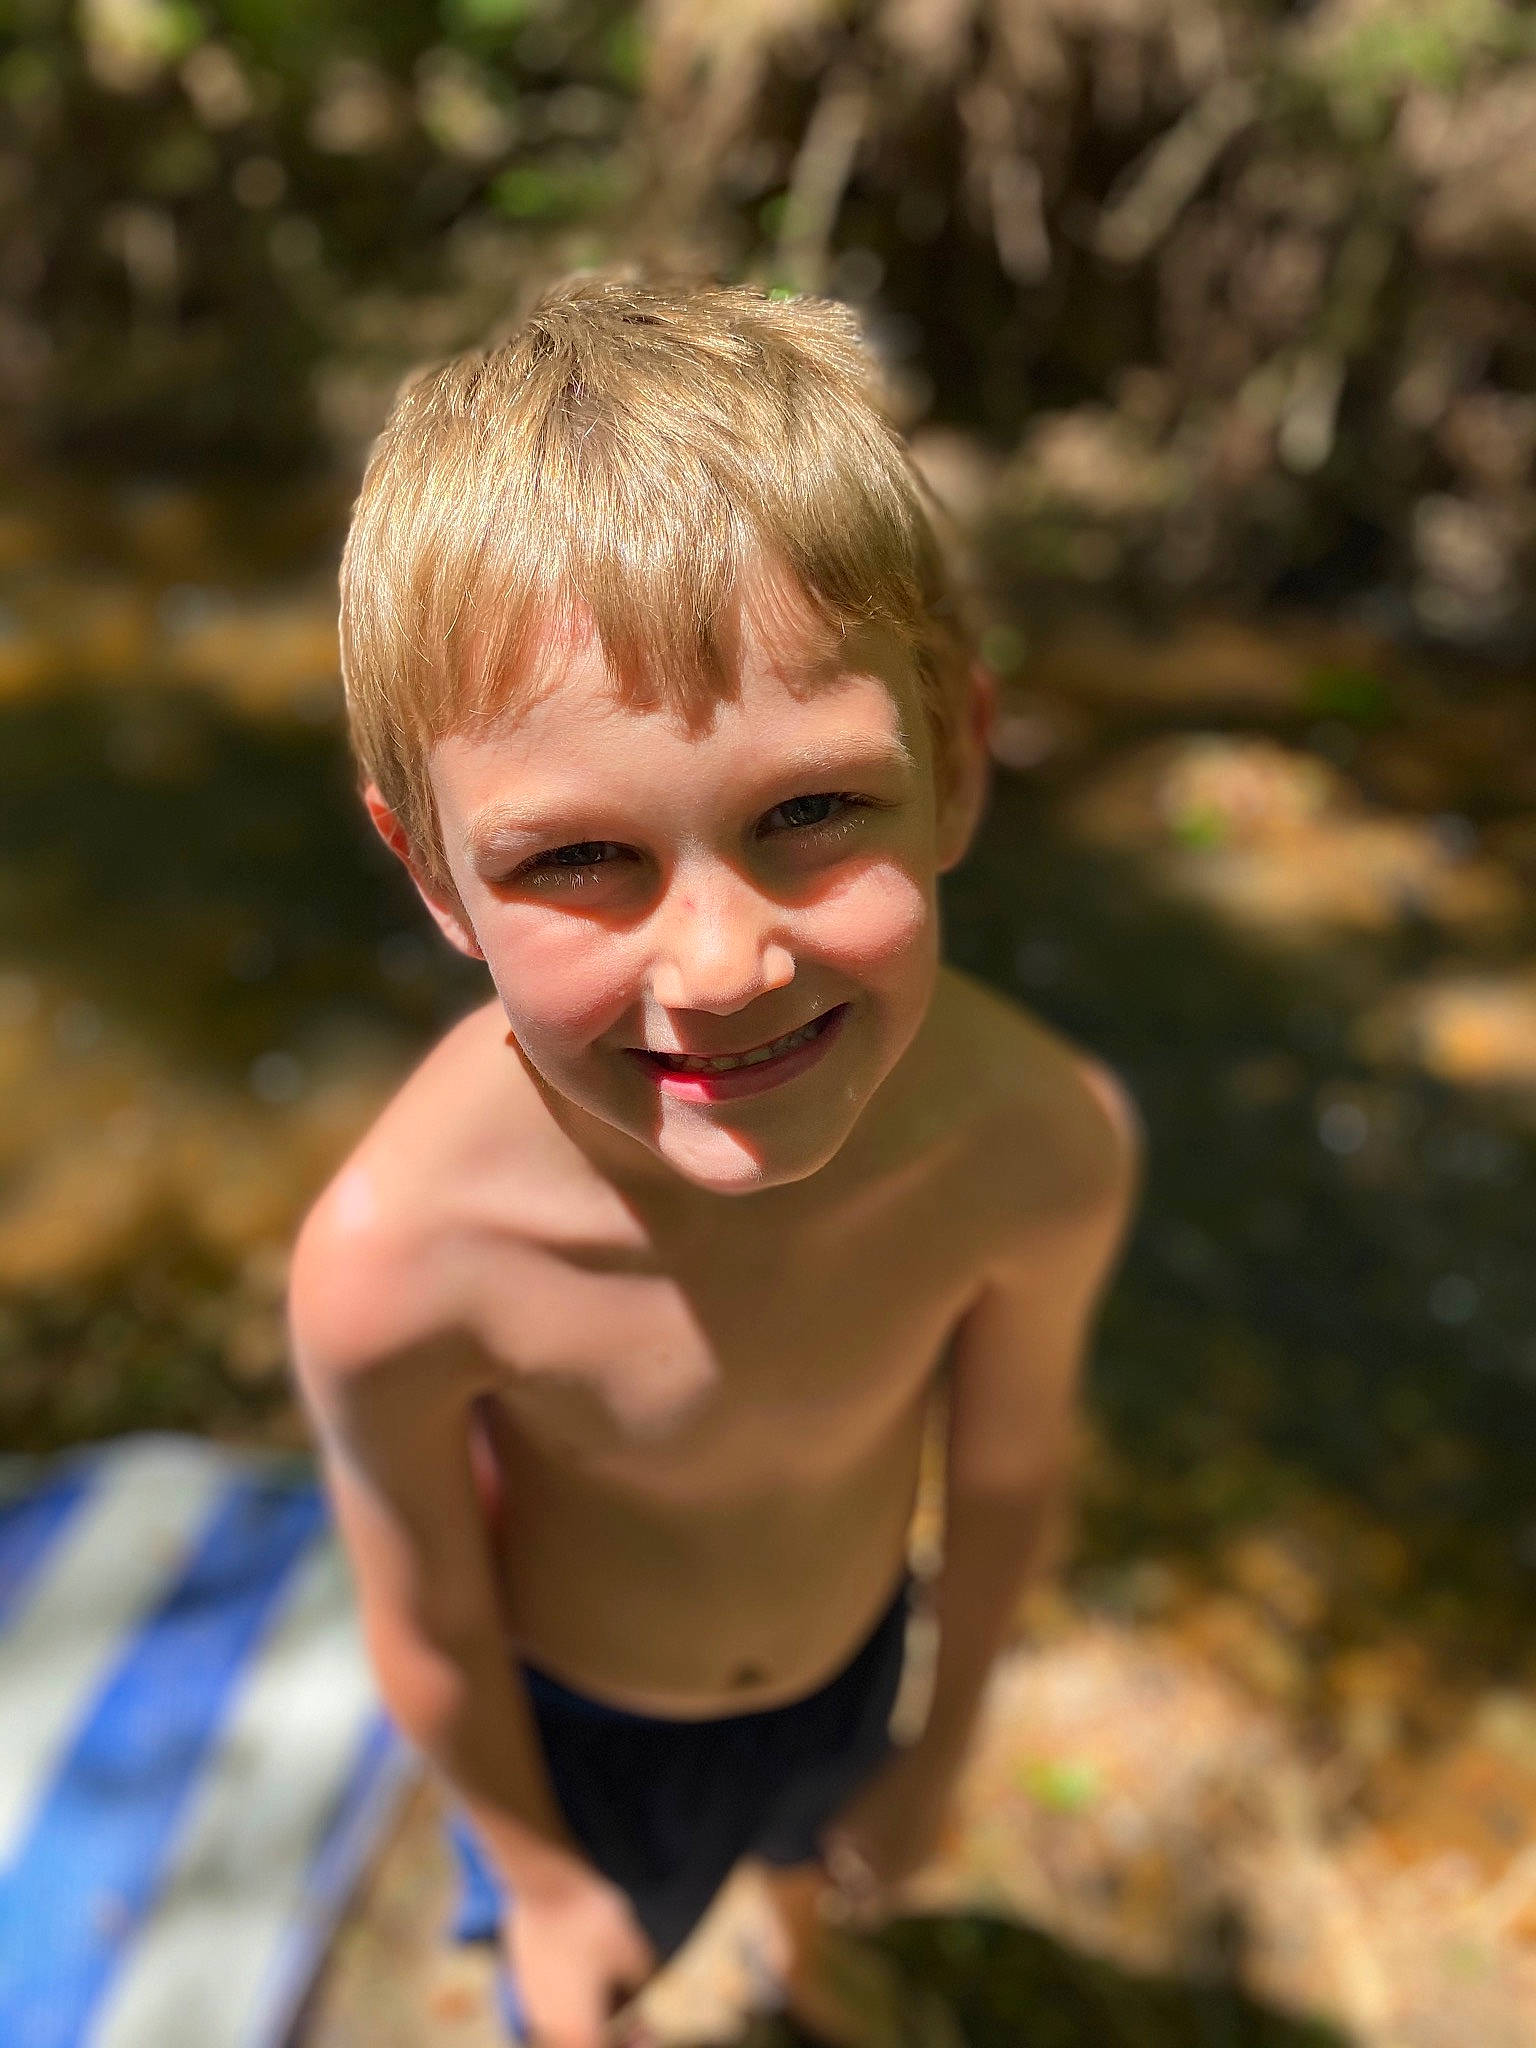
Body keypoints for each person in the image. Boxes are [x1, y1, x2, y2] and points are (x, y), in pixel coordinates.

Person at [289, 274, 1138, 2048]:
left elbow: (1004, 1479)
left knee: (813, 1870)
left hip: (848, 1659)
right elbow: (429, 1622)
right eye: (575, 859)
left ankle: (798, 1964)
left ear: (955, 760)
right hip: (581, 1734)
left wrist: (938, 1750)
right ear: (433, 874)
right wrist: (540, 1879)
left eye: (809, 812)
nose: (722, 967)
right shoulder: (400, 1264)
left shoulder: (1036, 1151)